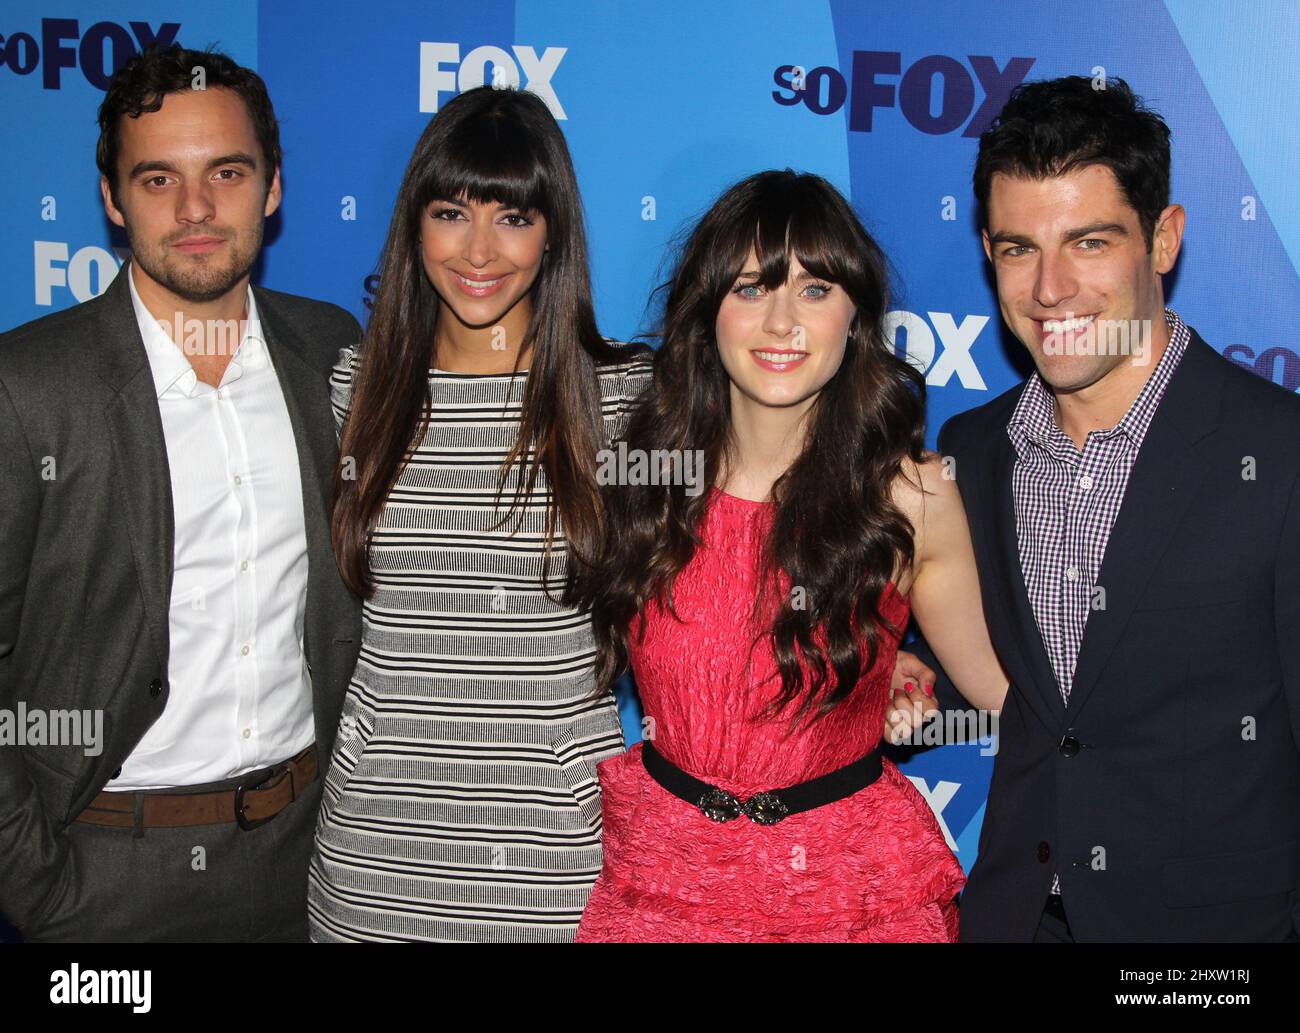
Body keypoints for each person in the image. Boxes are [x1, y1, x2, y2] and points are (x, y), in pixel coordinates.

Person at [573, 170, 1010, 942]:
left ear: (856, 317)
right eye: (750, 288)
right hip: (664, 894)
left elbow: (1007, 697)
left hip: (848, 895)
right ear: (707, 311)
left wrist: (887, 694)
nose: (781, 322)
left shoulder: (912, 496)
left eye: (814, 290)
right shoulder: (644, 477)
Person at [916, 76, 1300, 941]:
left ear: (1162, 240)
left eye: (1088, 242)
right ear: (988, 251)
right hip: (1014, 915)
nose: (1051, 289)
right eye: (1018, 249)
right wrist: (916, 683)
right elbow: (1043, 695)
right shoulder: (973, 450)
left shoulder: (1278, 453)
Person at [0, 45, 361, 941]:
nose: (196, 210)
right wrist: (37, 885)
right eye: (158, 179)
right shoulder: (28, 385)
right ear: (113, 199)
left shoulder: (331, 353)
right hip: (101, 875)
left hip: (306, 859)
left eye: (226, 173)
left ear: (272, 188)